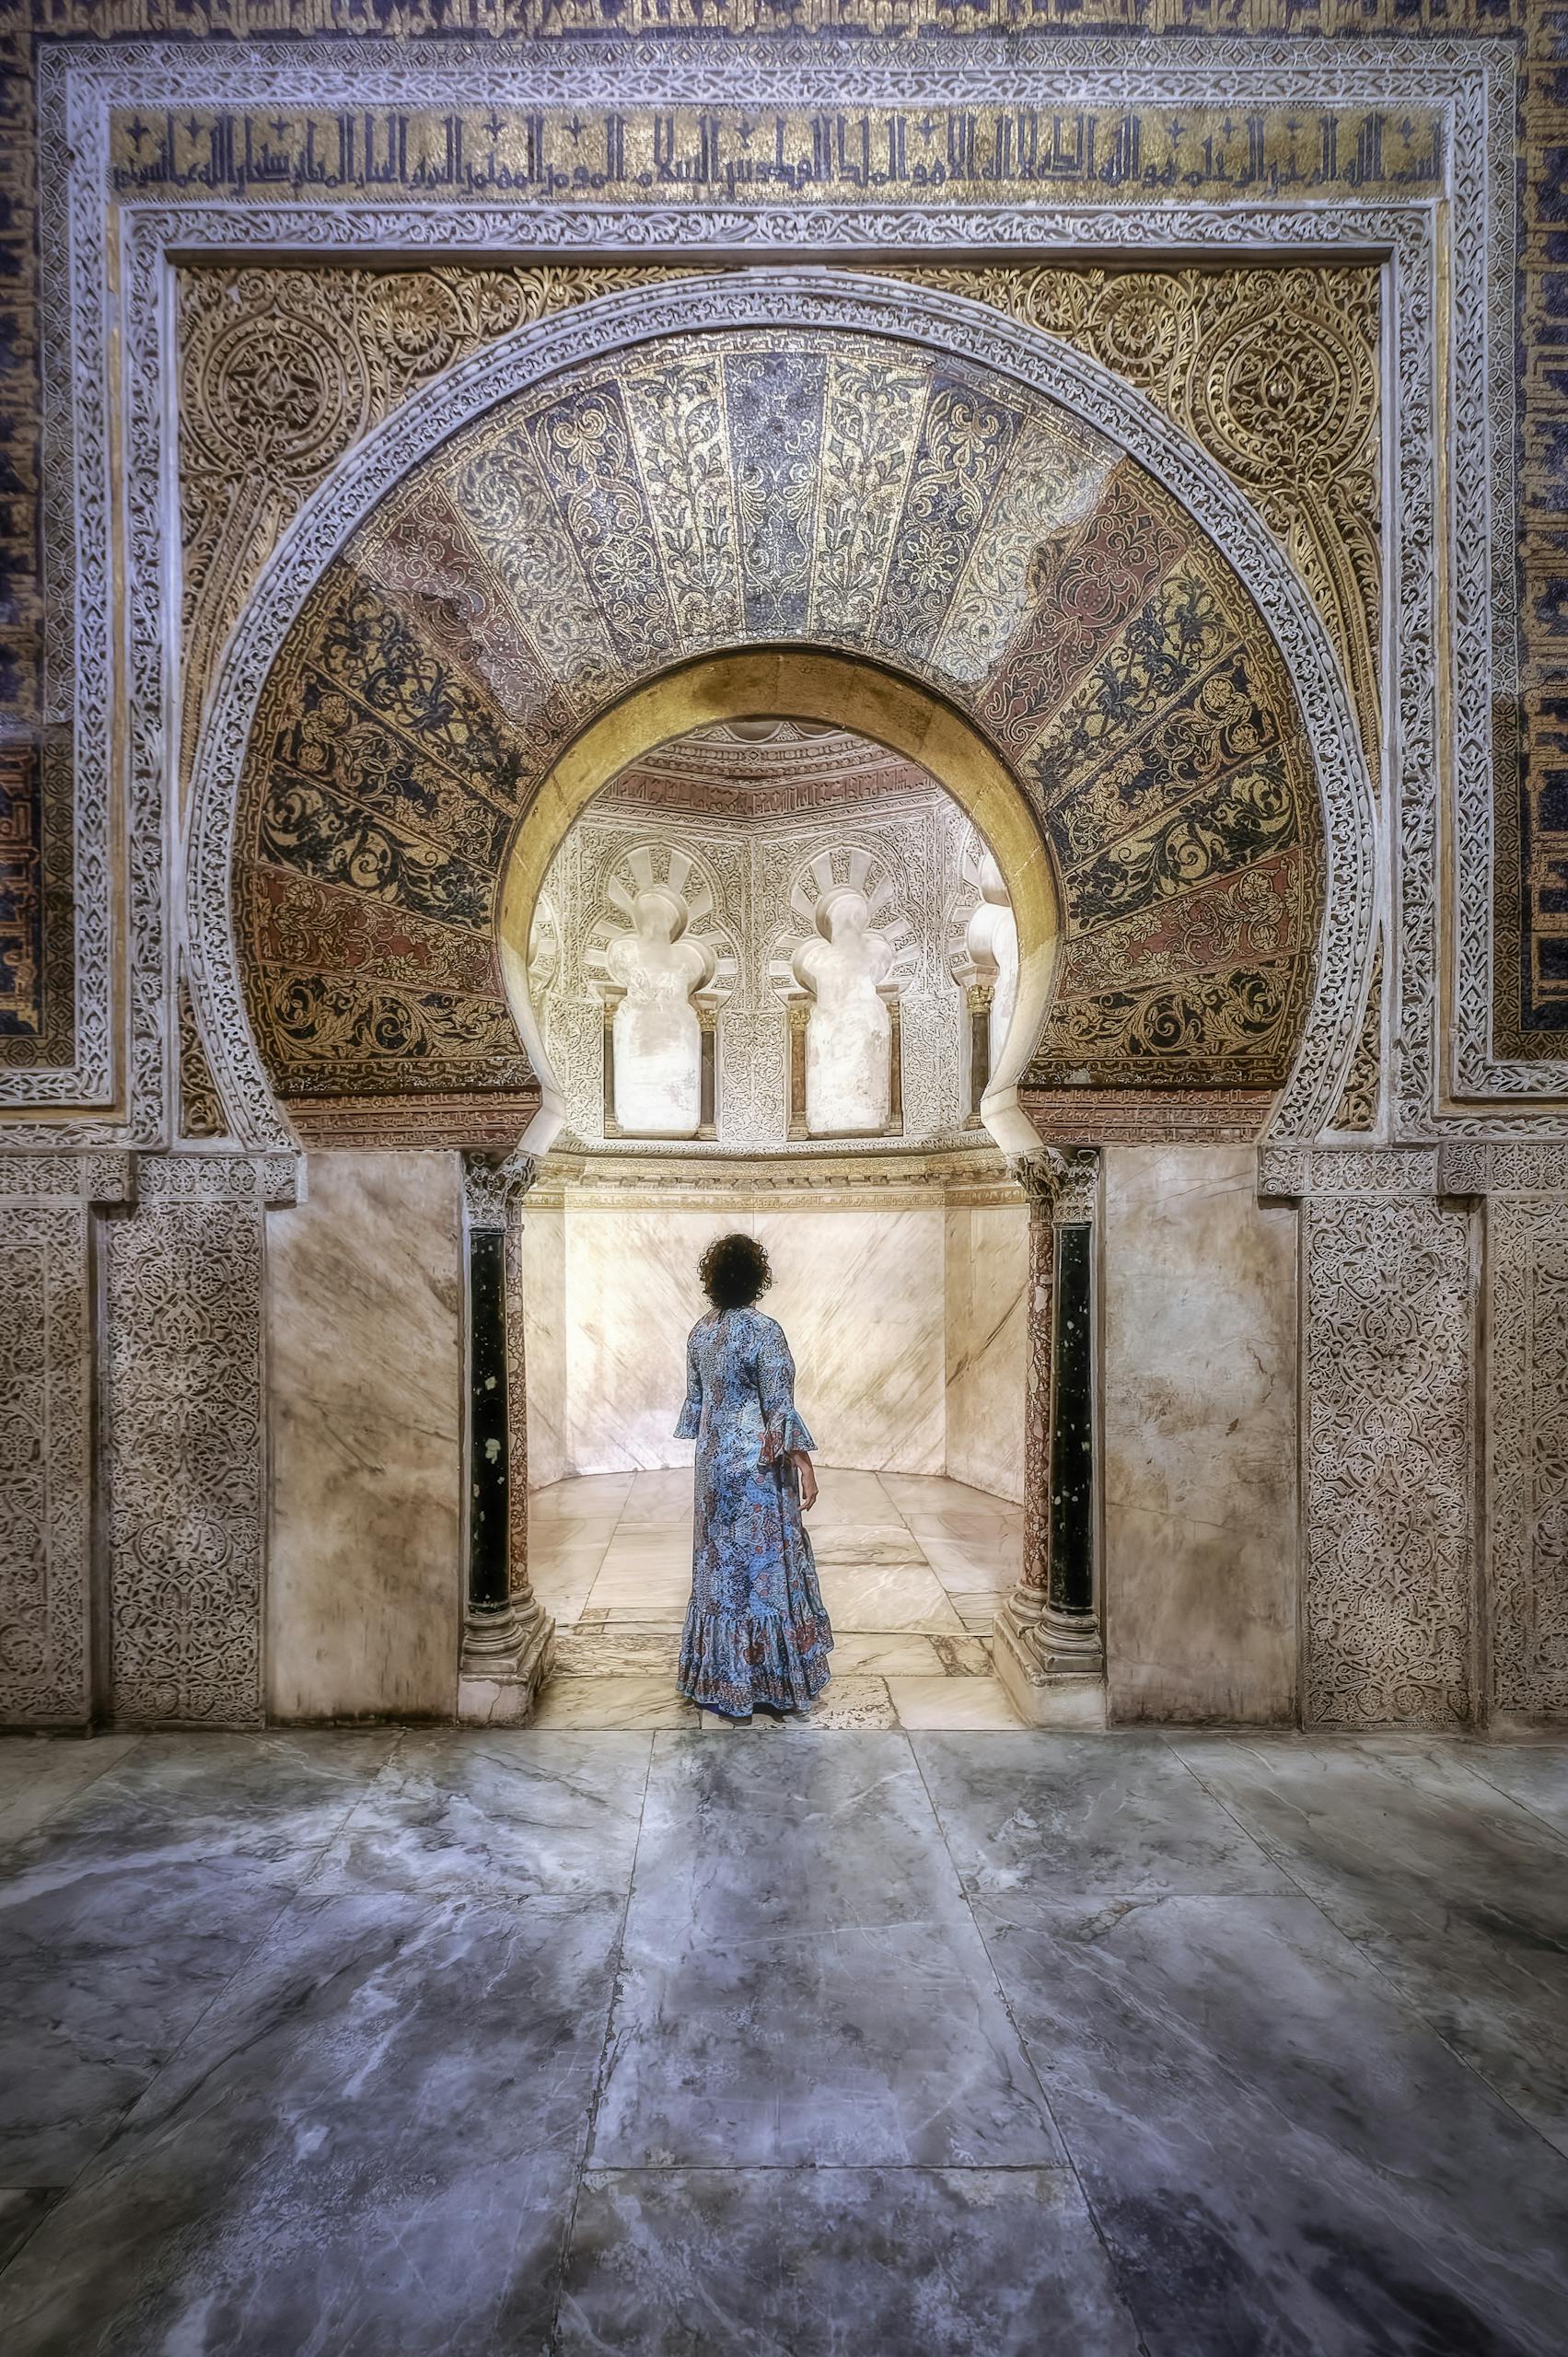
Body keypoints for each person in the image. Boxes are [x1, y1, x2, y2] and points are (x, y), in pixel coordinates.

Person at [674, 1232, 832, 1718]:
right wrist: (804, 1465)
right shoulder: (765, 1332)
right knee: (764, 1570)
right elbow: (778, 1409)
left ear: (713, 1279)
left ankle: (719, 1678)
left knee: (720, 1570)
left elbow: (696, 1404)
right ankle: (768, 1682)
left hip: (712, 1469)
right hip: (757, 1470)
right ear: (757, 1278)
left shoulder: (700, 1331)